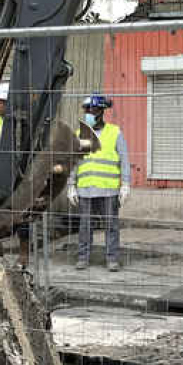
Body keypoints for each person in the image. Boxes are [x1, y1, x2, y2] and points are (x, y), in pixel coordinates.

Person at [67, 92, 130, 272]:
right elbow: (76, 161)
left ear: (101, 111)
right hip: (86, 189)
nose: (88, 113)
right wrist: (71, 185)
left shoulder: (114, 132)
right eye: (86, 109)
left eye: (91, 109)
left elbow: (124, 159)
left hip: (108, 190)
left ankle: (112, 259)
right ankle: (82, 257)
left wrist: (125, 184)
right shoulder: (82, 133)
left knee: (111, 226)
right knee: (85, 226)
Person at [0, 83, 31, 268]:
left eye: (0, 102)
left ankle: (24, 253)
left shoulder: (18, 123)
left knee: (21, 216)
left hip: (15, 178)